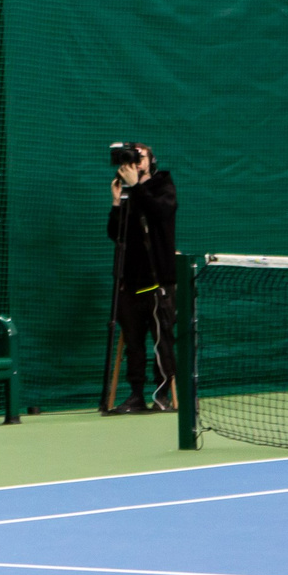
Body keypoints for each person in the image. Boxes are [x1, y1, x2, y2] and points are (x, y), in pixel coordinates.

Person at [105, 142, 179, 414]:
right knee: (133, 344)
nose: (136, 161)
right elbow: (117, 234)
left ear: (151, 160)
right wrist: (116, 202)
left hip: (160, 280)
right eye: (131, 157)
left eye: (141, 156)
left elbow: (159, 213)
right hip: (130, 281)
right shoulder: (126, 194)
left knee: (163, 341)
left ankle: (162, 397)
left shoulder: (164, 186)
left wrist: (137, 186)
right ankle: (135, 395)